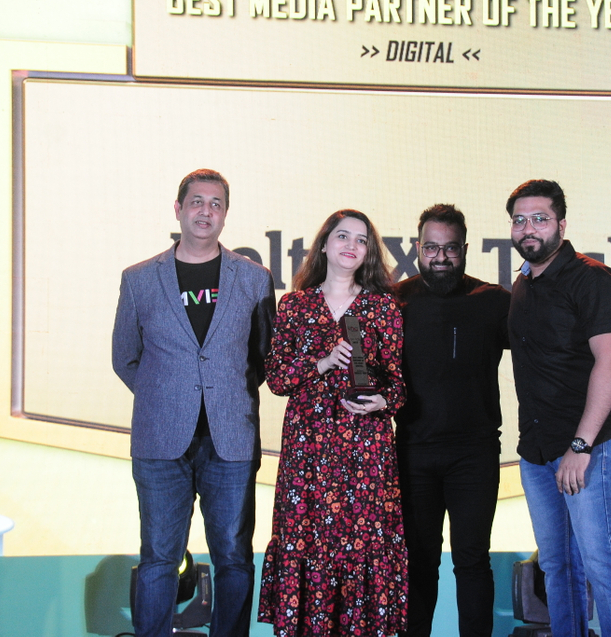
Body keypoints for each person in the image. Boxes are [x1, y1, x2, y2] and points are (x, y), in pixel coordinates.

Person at [112, 168, 275, 637]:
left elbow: (264, 357)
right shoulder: (140, 278)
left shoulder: (254, 278)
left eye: (216, 204)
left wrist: (223, 395)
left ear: (226, 214)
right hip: (160, 443)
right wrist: (168, 398)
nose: (206, 211)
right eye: (197, 202)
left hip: (231, 440)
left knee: (234, 558)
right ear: (178, 209)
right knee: (159, 558)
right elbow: (125, 357)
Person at [258, 209, 408, 636]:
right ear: (324, 244)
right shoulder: (295, 305)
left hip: (365, 450)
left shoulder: (383, 308)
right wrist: (321, 362)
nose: (351, 245)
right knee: (307, 541)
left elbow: (399, 385)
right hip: (308, 451)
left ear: (368, 252)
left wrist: (382, 400)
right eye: (342, 236)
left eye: (361, 240)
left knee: (362, 545)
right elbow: (277, 379)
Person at [506, 179, 611, 637]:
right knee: (556, 565)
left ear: (561, 225)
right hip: (537, 451)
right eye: (519, 220)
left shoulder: (592, 279)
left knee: (599, 559)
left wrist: (580, 446)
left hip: (588, 446)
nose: (528, 228)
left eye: (540, 218)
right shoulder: (523, 284)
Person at [392, 204, 510, 637]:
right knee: (417, 561)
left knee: (472, 561)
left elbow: (542, 352)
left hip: (474, 454)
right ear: (417, 248)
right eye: (431, 248)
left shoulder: (493, 301)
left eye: (450, 248)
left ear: (465, 248)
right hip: (412, 453)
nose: (440, 257)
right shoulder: (393, 301)